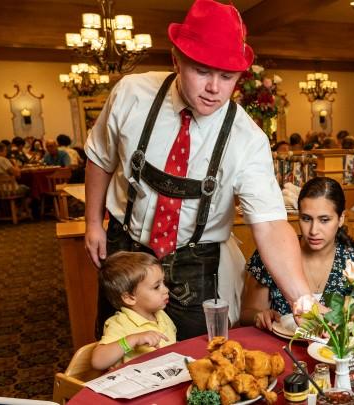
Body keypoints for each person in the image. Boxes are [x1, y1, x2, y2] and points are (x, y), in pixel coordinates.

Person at [84, 0, 313, 340]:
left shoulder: (247, 139)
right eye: (202, 71)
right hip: (126, 252)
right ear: (176, 60)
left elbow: (270, 225)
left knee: (195, 358)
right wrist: (92, 223)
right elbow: (100, 158)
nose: (214, 88)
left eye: (227, 76)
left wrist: (304, 302)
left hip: (193, 265)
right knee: (117, 349)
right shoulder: (132, 93)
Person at [241, 177, 354, 330]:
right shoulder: (274, 253)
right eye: (306, 219)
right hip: (280, 344)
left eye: (324, 220)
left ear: (341, 219)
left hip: (337, 346)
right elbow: (246, 315)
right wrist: (259, 315)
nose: (314, 231)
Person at [91, 252, 175, 369]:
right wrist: (132, 340)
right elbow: (98, 362)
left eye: (163, 282)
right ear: (130, 298)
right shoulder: (120, 323)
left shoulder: (161, 315)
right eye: (156, 287)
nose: (166, 290)